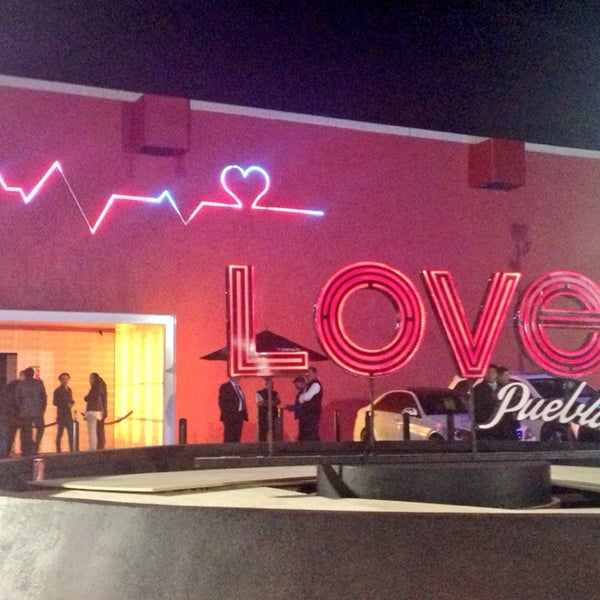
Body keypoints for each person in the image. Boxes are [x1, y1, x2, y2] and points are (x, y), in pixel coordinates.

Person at [16, 367, 48, 455]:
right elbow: (44, 397)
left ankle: (32, 446)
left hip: (26, 412)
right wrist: (43, 408)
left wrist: (20, 409)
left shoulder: (21, 384)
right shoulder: (38, 383)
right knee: (39, 429)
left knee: (28, 431)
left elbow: (17, 398)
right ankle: (35, 445)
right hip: (36, 411)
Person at [472, 363, 499, 440]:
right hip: (485, 423)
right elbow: (476, 407)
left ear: (496, 374)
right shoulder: (478, 388)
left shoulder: (502, 387)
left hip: (500, 425)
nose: (490, 375)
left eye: (493, 373)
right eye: (488, 372)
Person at [296, 366, 323, 441]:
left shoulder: (316, 385)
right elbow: (300, 399)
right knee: (305, 434)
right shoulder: (308, 385)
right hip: (307, 415)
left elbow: (306, 397)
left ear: (315, 374)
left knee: (311, 433)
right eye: (307, 374)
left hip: (312, 414)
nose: (308, 375)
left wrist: (302, 397)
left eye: (310, 373)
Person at [218, 376, 248, 442]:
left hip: (239, 416)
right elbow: (222, 402)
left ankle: (236, 448)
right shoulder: (225, 387)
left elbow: (241, 400)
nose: (240, 378)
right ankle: (228, 448)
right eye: (238, 377)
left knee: (237, 436)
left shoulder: (238, 387)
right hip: (230, 416)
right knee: (229, 436)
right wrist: (227, 414)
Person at [495, 366, 520, 440]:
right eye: (505, 375)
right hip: (501, 422)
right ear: (499, 377)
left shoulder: (512, 388)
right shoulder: (496, 389)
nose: (508, 377)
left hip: (511, 420)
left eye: (508, 375)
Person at [83, 372, 107, 450]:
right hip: (98, 412)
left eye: (91, 378)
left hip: (92, 411)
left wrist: (86, 397)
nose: (89, 380)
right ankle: (98, 447)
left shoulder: (95, 389)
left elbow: (88, 398)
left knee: (92, 431)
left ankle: (92, 448)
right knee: (97, 431)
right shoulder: (101, 388)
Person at [53, 372, 74, 452]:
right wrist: (65, 403)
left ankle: (72, 450)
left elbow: (71, 399)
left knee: (71, 434)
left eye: (66, 379)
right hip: (61, 414)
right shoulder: (57, 390)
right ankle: (58, 451)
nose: (64, 381)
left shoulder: (69, 390)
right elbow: (55, 402)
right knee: (60, 434)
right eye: (63, 379)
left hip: (69, 415)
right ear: (60, 380)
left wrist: (71, 403)